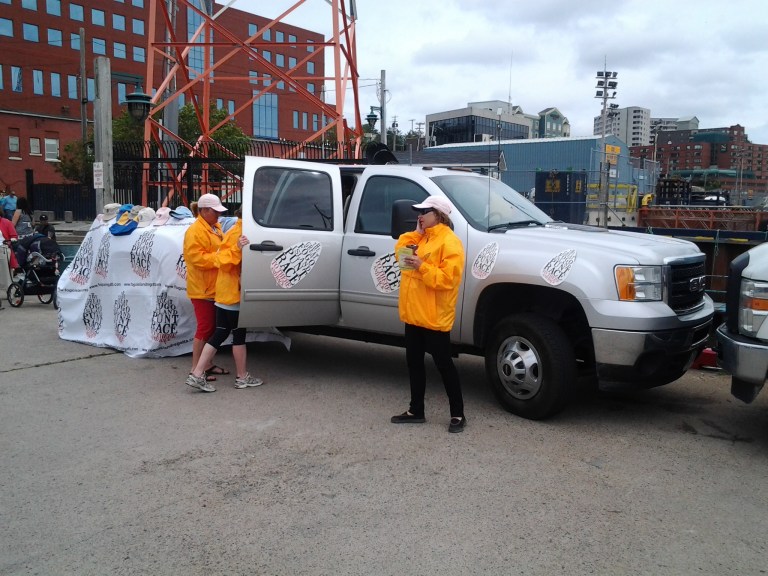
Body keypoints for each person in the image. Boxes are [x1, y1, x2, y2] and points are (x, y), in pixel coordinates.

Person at [391, 195, 467, 433]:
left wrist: (421, 266)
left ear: (439, 215)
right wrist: (416, 233)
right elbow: (400, 257)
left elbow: (448, 280)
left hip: (434, 317)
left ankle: (458, 415)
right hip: (414, 315)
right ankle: (416, 410)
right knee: (414, 363)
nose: (419, 215)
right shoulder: (421, 239)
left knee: (444, 365)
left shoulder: (450, 243)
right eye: (418, 212)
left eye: (424, 212)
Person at [186, 207, 263, 392]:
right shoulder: (240, 233)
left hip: (223, 292)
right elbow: (225, 261)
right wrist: (237, 249)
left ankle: (196, 374)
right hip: (232, 294)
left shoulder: (230, 230)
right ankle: (242, 377)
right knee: (238, 335)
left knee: (220, 333)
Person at [183, 193, 229, 386]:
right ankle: (196, 369)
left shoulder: (215, 227)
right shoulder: (195, 231)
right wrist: (220, 258)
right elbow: (196, 258)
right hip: (202, 289)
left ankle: (206, 364)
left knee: (211, 328)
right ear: (203, 211)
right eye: (215, 211)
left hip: (213, 288)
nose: (219, 215)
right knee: (205, 328)